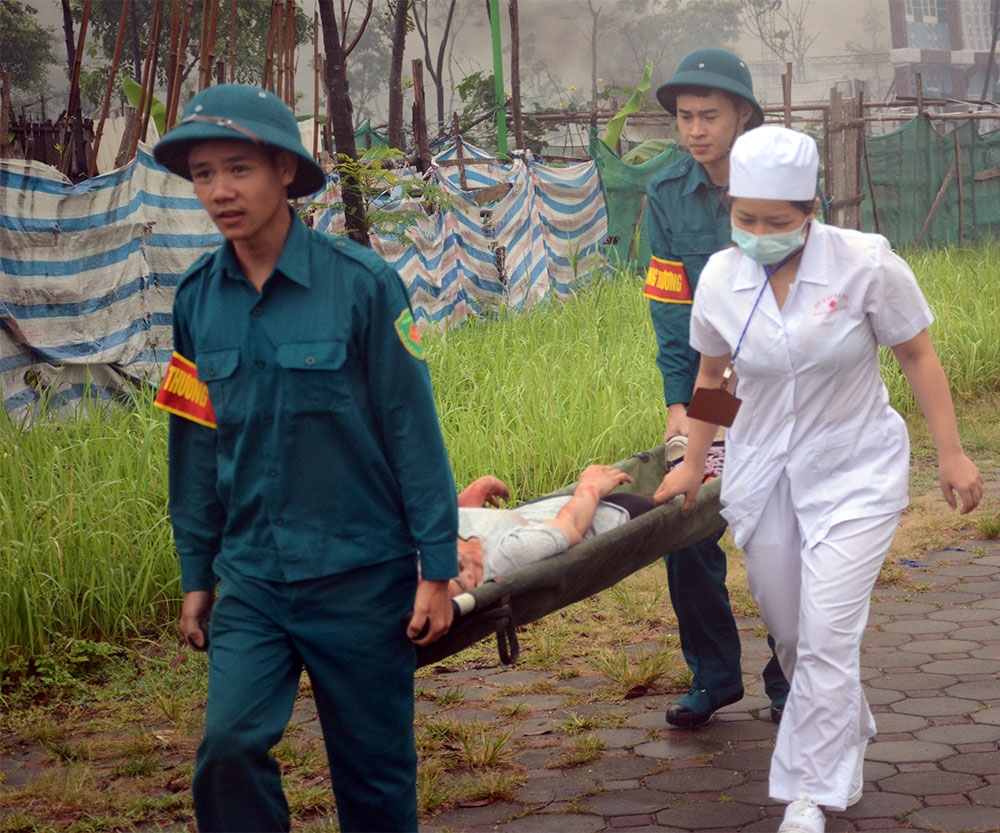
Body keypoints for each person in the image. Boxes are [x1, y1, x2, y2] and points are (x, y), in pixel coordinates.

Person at [653, 126, 983, 833]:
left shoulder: (865, 264)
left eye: (779, 221)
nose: (761, 233)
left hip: (854, 467)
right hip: (763, 471)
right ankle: (844, 722)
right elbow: (715, 381)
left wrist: (951, 454)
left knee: (830, 630)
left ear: (811, 207)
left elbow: (917, 354)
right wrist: (690, 462)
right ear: (731, 206)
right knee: (794, 635)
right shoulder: (720, 278)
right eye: (747, 218)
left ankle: (809, 793)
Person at [152, 84, 458, 833]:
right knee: (227, 746)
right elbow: (194, 442)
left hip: (360, 578)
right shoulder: (196, 300)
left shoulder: (362, 287)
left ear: (285, 171)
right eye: (203, 174)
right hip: (253, 578)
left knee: (374, 777)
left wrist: (437, 569)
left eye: (238, 168)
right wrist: (198, 573)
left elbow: (412, 434)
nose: (220, 191)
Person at [644, 47, 789, 728]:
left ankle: (791, 677)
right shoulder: (666, 192)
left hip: (785, 380)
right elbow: (669, 302)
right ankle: (712, 674)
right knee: (686, 513)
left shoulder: (780, 181)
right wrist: (681, 407)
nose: (694, 129)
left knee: (783, 528)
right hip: (712, 379)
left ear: (743, 115)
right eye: (683, 117)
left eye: (708, 114)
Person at [450, 465, 652, 595]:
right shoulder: (510, 552)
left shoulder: (434, 541)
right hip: (612, 513)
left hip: (544, 508)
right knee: (675, 499)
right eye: (458, 584)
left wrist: (471, 499)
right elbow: (572, 526)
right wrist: (590, 485)